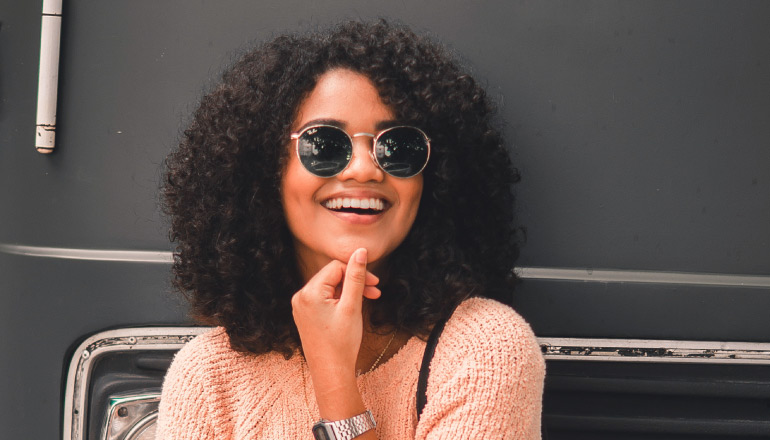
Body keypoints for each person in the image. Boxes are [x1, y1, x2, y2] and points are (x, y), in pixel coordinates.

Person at [157, 20, 544, 440]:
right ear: (263, 171)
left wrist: (334, 379)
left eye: (396, 147)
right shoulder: (208, 377)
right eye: (324, 144)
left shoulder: (485, 348)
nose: (364, 168)